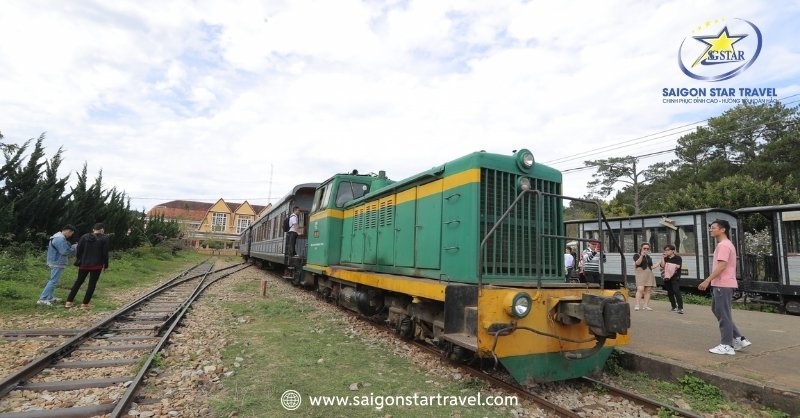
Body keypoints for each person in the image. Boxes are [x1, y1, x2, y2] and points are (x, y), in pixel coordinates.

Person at [698, 219, 752, 355]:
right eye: (710, 227)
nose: (711, 230)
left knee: (723, 315)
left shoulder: (723, 245)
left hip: (723, 283)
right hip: (723, 284)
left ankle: (726, 345)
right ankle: (740, 338)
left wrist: (707, 280)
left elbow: (722, 266)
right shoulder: (726, 244)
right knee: (718, 311)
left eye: (713, 227)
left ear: (722, 230)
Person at [65, 223, 110, 309]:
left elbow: (79, 249)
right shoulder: (104, 238)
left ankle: (69, 302)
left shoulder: (84, 237)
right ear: (102, 230)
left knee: (78, 282)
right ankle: (85, 304)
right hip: (97, 265)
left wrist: (79, 260)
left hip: (83, 264)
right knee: (92, 284)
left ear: (93, 229)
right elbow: (105, 253)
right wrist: (106, 265)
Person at [37, 224, 78, 306]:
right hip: (57, 262)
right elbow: (65, 251)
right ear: (68, 231)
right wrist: (74, 247)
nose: (70, 235)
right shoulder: (60, 239)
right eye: (71, 233)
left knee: (54, 281)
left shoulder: (57, 237)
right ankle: (43, 299)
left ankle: (49, 297)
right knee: (53, 281)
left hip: (55, 261)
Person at [658, 244, 684, 314]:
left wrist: (668, 265)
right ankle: (674, 307)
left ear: (673, 251)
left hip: (675, 277)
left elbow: (678, 266)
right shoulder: (666, 258)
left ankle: (680, 308)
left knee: (676, 291)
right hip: (667, 277)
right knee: (670, 292)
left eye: (668, 250)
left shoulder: (678, 258)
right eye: (665, 250)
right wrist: (662, 258)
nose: (666, 251)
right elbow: (663, 266)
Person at [633, 242, 655, 311]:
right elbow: (637, 263)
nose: (646, 249)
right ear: (641, 248)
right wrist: (642, 255)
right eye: (644, 248)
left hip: (649, 274)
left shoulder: (649, 257)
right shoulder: (637, 255)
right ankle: (637, 305)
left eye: (647, 249)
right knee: (640, 289)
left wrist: (660, 262)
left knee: (648, 290)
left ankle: (645, 305)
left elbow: (651, 267)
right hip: (640, 273)